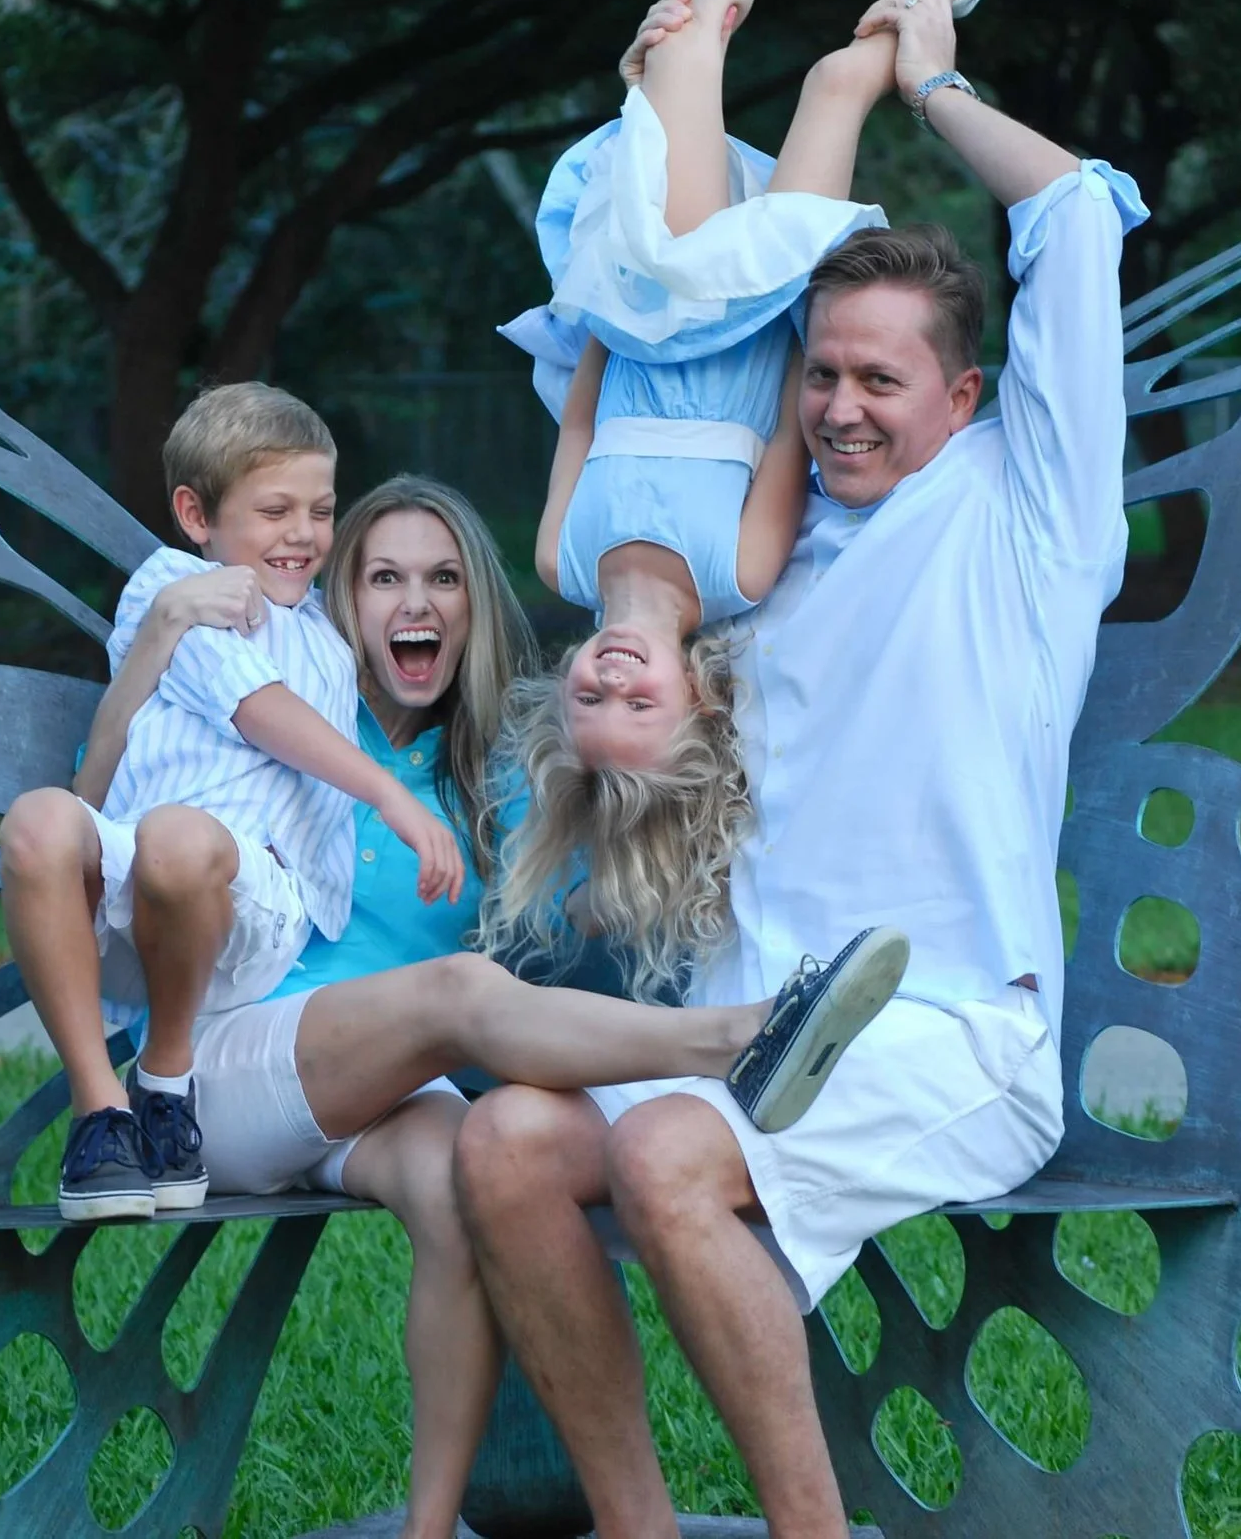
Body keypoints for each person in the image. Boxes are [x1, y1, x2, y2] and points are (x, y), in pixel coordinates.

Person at [453, 0, 1157, 1538]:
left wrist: (932, 75)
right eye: (820, 374)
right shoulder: (761, 566)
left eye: (876, 380)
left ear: (964, 395)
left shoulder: (1031, 510)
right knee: (506, 1148)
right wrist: (617, 741)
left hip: (947, 1031)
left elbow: (1076, 216)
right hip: (736, 1014)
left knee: (674, 1153)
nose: (837, 406)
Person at [88, 475, 905, 1539]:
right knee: (462, 991)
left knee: (472, 1171)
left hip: (375, 1101)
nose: (412, 604)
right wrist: (151, 643)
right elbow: (103, 806)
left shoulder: (495, 779)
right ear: (340, 602)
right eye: (382, 578)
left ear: (473, 609)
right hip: (210, 1079)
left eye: (442, 579)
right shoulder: (262, 716)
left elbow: (609, 878)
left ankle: (431, 1531)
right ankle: (736, 1043)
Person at [484, 0, 1034, 993]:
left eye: (592, 697)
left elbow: (585, 401)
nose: (615, 678)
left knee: (680, 53)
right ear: (695, 704)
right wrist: (782, 277)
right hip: (764, 309)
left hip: (650, 309)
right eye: (641, 704)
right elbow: (798, 413)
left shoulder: (560, 554)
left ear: (565, 684)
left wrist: (621, 272)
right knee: (837, 84)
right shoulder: (739, 572)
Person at [0, 383, 468, 1224]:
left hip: (254, 910)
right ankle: (102, 1115)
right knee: (36, 819)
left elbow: (281, 696)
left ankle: (166, 1080)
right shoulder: (177, 586)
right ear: (195, 513)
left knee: (178, 836)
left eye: (321, 511)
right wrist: (388, 793)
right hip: (137, 891)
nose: (303, 534)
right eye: (275, 510)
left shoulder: (322, 627)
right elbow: (248, 712)